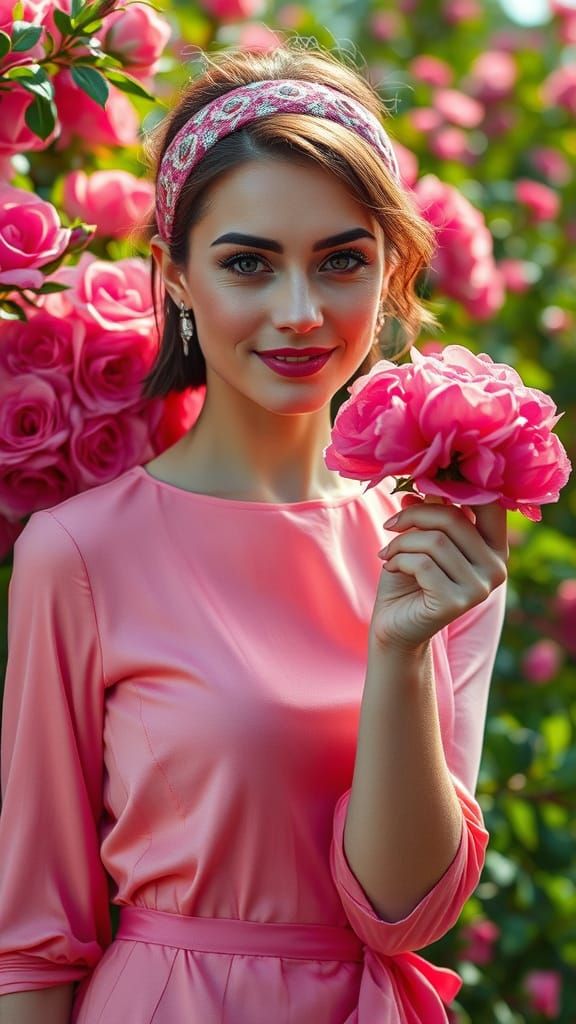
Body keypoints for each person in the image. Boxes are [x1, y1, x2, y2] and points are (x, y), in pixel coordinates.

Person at [0, 40, 508, 1024]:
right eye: (248, 263)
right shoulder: (78, 554)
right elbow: (32, 940)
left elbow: (402, 912)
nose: (301, 312)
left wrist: (403, 646)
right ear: (177, 276)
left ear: (391, 266)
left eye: (341, 260)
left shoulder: (436, 547)